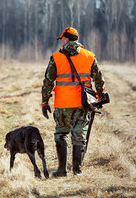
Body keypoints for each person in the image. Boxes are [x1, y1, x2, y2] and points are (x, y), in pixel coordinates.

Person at [41, 27, 105, 176]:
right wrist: (100, 97)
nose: (61, 42)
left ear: (66, 39)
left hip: (63, 105)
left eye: (62, 39)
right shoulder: (89, 56)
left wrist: (45, 103)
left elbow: (48, 83)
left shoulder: (56, 57)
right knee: (79, 136)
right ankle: (77, 170)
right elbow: (99, 79)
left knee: (61, 135)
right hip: (83, 104)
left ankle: (62, 170)